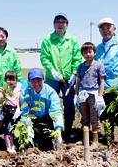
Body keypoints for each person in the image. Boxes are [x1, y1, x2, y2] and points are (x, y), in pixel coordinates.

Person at [40, 13, 82, 142]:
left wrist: (74, 73)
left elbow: (77, 58)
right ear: (54, 24)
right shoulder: (48, 40)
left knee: (69, 103)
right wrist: (52, 70)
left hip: (68, 78)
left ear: (67, 25)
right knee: (49, 101)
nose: (60, 24)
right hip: (52, 77)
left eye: (63, 22)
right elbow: (44, 57)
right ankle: (52, 129)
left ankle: (67, 131)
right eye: (58, 21)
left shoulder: (72, 40)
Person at [21, 68, 63, 149]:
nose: (36, 84)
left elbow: (56, 111)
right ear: (29, 81)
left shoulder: (51, 92)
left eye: (39, 80)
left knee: (48, 138)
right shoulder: (25, 93)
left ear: (43, 80)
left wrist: (58, 130)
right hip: (32, 118)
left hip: (47, 117)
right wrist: (28, 126)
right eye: (33, 81)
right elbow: (25, 112)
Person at [74, 42, 106, 148]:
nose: (88, 54)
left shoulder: (98, 65)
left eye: (90, 52)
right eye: (85, 52)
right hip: (83, 94)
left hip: (94, 94)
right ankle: (85, 139)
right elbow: (78, 81)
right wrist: (76, 95)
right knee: (84, 117)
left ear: (94, 52)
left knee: (94, 118)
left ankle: (95, 140)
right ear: (82, 54)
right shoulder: (80, 67)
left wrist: (100, 96)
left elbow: (102, 81)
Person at [0, 71, 21, 154]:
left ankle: (12, 144)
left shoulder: (17, 89)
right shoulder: (3, 89)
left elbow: (18, 99)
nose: (11, 82)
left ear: (16, 80)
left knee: (14, 128)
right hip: (7, 110)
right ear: (5, 80)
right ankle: (8, 146)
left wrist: (18, 108)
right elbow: (0, 100)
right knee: (8, 127)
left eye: (13, 80)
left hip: (15, 110)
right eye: (8, 79)